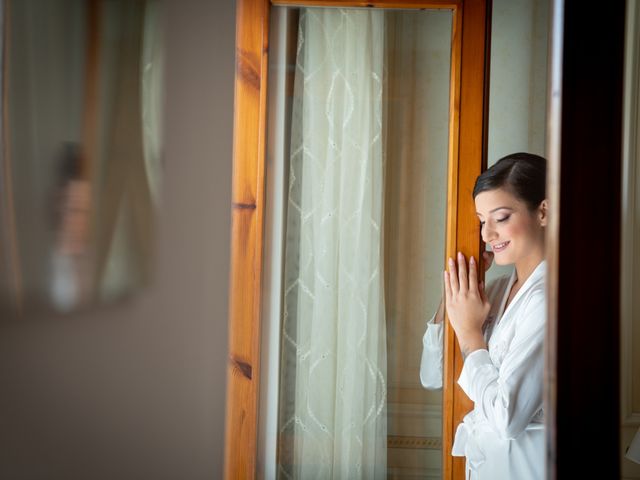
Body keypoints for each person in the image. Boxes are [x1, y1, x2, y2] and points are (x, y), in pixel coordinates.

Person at [420, 152, 548, 480]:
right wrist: (457, 292)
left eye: (501, 217)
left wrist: (471, 336)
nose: (487, 234)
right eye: (481, 220)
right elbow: (434, 377)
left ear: (543, 212)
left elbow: (508, 419)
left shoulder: (548, 298)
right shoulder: (497, 289)